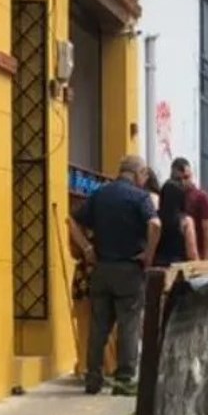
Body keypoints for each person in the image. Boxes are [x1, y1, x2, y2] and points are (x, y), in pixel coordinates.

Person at [68, 155, 160, 395]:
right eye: (144, 176)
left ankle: (93, 377)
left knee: (99, 327)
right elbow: (155, 225)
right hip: (129, 269)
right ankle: (124, 379)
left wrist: (87, 249)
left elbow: (72, 220)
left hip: (102, 268)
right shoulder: (140, 197)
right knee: (129, 324)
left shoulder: (100, 194)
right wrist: (148, 254)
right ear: (138, 173)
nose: (145, 180)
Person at [171, 157, 208, 260]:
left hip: (196, 257)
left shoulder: (201, 197)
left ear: (191, 176)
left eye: (186, 177)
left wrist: (206, 260)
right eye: (178, 179)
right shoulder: (171, 196)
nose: (183, 182)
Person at [154, 179, 199, 268]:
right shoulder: (186, 221)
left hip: (157, 265)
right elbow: (192, 253)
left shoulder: (155, 218)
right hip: (179, 268)